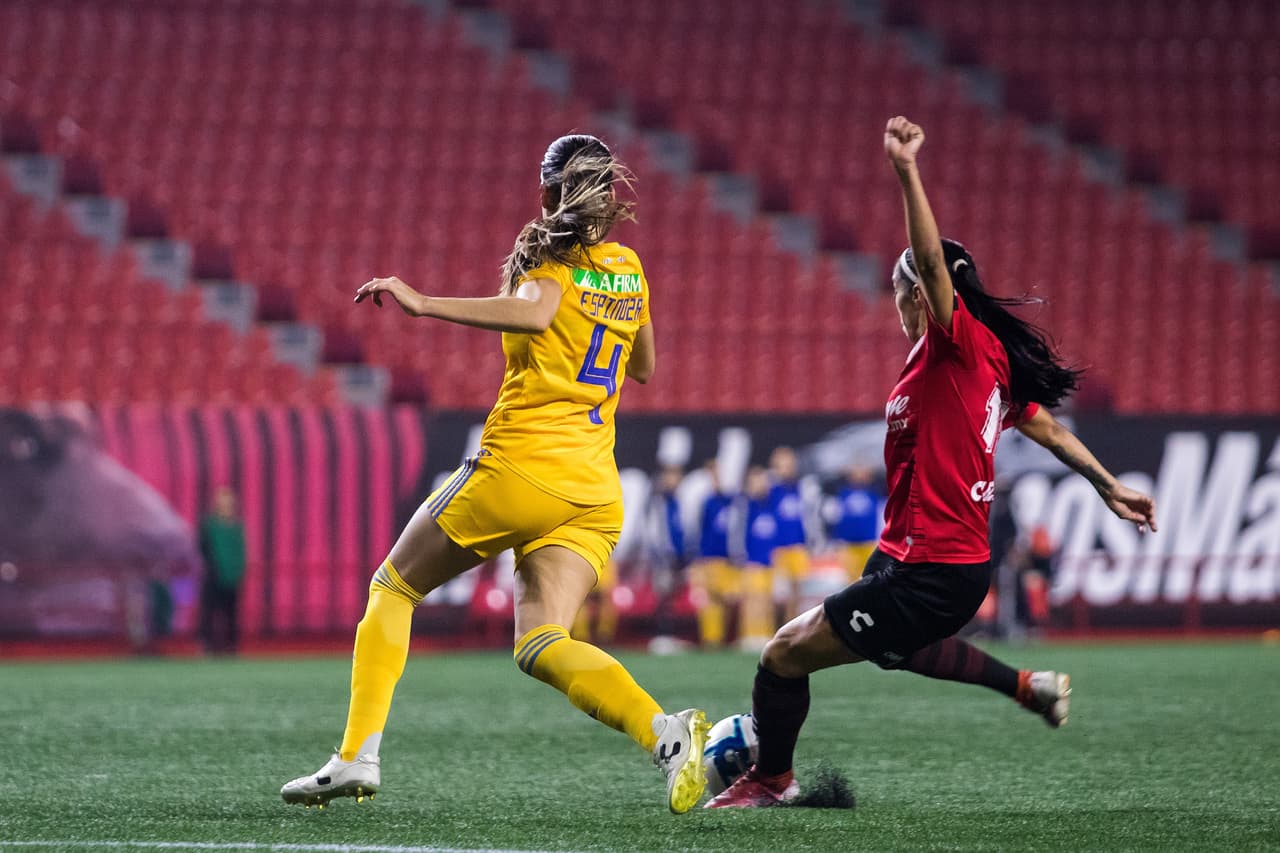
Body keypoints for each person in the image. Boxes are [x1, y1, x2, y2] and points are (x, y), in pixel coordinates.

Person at [706, 117, 1158, 808]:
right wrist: (1108, 485)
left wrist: (905, 171)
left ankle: (773, 777)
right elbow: (1046, 428)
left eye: (900, 289)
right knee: (902, 650)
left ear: (918, 292)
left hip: (933, 565)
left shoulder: (960, 344)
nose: (896, 303)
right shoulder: (987, 363)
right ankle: (1027, 685)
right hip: (920, 558)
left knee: (781, 654)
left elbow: (931, 262)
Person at [281, 135, 710, 814]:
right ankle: (664, 732)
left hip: (519, 467)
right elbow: (646, 366)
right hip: (593, 489)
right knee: (542, 642)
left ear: (548, 193)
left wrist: (422, 302)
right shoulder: (629, 268)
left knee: (392, 585)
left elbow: (538, 312)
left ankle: (357, 754)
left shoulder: (549, 257)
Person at [688, 460, 739, 648]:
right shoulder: (706, 502)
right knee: (709, 600)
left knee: (727, 598)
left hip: (728, 558)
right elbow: (697, 530)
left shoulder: (735, 502)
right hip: (709, 557)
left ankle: (724, 636)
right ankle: (711, 638)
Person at [198, 486, 246, 655]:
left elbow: (241, 550)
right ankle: (208, 646)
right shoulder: (209, 525)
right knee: (210, 611)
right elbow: (202, 549)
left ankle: (231, 646)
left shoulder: (236, 526)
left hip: (232, 576)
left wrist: (239, 570)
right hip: (213, 576)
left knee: (231, 613)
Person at [739, 465, 780, 650]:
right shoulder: (745, 505)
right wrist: (741, 556)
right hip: (751, 559)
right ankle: (751, 635)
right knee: (753, 600)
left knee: (767, 600)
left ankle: (766, 634)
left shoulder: (771, 504)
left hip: (769, 559)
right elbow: (737, 533)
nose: (760, 485)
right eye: (756, 481)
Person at [767, 447, 809, 622]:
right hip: (778, 548)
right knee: (777, 593)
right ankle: (775, 627)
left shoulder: (802, 488)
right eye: (782, 464)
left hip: (797, 545)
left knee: (797, 591)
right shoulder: (770, 490)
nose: (786, 468)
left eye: (789, 464)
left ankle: (793, 625)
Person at [826, 465, 881, 582]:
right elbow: (832, 516)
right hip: (848, 545)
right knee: (851, 581)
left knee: (870, 579)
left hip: (868, 543)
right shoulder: (842, 492)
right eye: (856, 472)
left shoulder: (874, 491)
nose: (859, 475)